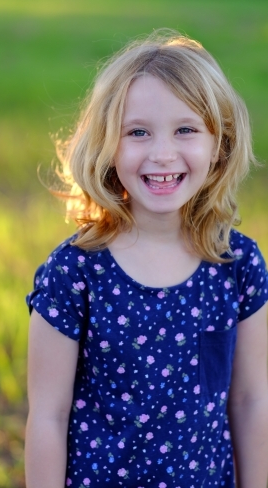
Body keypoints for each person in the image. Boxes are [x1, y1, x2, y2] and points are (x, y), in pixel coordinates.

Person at [25, 30, 268, 488]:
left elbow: (252, 401)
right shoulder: (75, 273)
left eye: (185, 130)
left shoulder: (238, 265)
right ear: (106, 145)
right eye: (137, 132)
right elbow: (48, 417)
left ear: (219, 144)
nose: (161, 154)